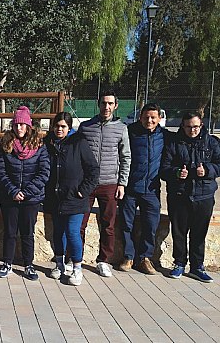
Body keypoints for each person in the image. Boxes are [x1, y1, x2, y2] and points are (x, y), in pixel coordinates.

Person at [161, 111, 220, 282]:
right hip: (179, 195)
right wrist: (177, 172)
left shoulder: (212, 143)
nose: (192, 130)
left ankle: (197, 267)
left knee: (199, 233)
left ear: (201, 125)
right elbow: (164, 168)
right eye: (188, 127)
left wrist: (208, 170)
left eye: (195, 126)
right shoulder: (174, 143)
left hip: (203, 196)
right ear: (183, 126)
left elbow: (219, 164)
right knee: (179, 232)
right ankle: (179, 263)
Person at [78, 90, 131, 277]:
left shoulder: (121, 128)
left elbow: (126, 157)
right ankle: (75, 258)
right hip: (87, 184)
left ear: (115, 106)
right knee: (80, 224)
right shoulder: (86, 127)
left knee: (108, 225)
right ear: (98, 104)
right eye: (103, 103)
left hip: (110, 183)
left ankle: (103, 260)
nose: (106, 107)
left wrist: (122, 183)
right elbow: (78, 156)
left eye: (110, 103)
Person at [44, 112, 99, 286]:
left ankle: (76, 268)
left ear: (69, 128)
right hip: (55, 197)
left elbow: (93, 170)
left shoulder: (79, 142)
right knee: (58, 233)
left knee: (73, 232)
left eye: (63, 127)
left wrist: (84, 190)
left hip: (75, 198)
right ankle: (59, 264)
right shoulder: (48, 143)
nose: (59, 129)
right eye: (57, 126)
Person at [0, 106, 50, 281]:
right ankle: (7, 262)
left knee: (27, 232)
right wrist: (13, 191)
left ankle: (28, 265)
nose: (19, 128)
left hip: (31, 198)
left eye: (22, 124)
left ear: (28, 126)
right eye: (16, 124)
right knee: (10, 231)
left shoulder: (39, 146)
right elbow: (1, 171)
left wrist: (26, 192)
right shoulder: (6, 145)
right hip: (10, 197)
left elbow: (44, 172)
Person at [119, 103, 167, 274]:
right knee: (126, 224)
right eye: (146, 117)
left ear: (159, 119)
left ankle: (145, 258)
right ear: (140, 117)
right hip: (130, 188)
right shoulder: (130, 131)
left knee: (151, 225)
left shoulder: (164, 135)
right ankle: (128, 256)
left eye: (153, 117)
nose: (149, 120)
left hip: (152, 190)